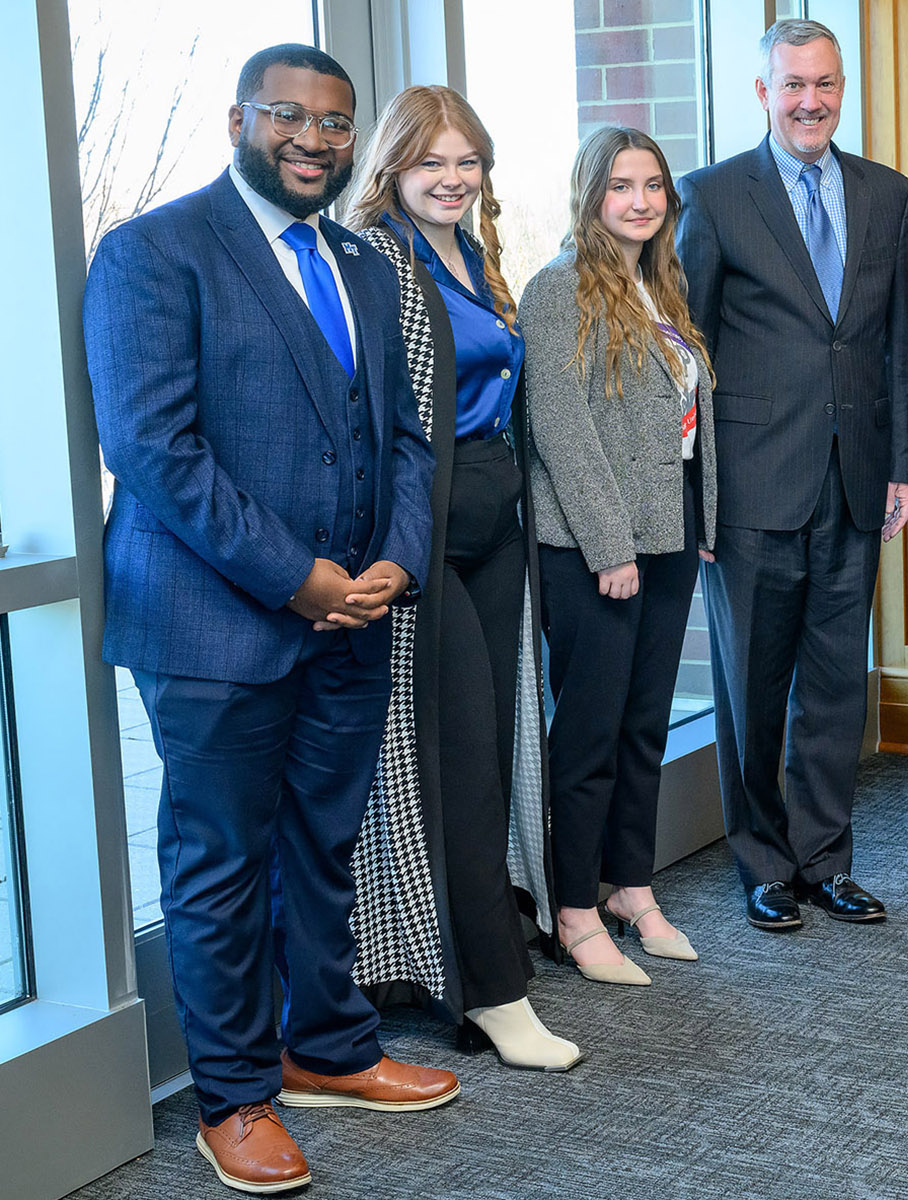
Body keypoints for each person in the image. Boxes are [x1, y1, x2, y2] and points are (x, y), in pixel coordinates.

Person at [84, 44, 454, 1195]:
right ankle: (234, 1098)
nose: (312, 138)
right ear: (240, 119)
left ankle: (327, 1048)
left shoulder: (361, 257)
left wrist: (396, 556)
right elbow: (153, 450)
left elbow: (405, 432)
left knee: (322, 845)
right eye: (288, 117)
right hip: (214, 624)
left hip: (355, 616)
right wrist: (298, 576)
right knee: (220, 868)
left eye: (335, 123)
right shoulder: (152, 252)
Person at [342, 85, 577, 1070]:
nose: (451, 178)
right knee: (464, 766)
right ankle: (490, 993)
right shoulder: (375, 257)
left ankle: (481, 954)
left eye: (466, 162)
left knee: (493, 751)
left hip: (492, 521)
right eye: (430, 161)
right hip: (426, 538)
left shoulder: (472, 256)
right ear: (392, 168)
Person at [675, 18, 908, 932]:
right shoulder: (709, 195)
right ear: (762, 93)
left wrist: (903, 464)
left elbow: (896, 342)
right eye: (793, 86)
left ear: (842, 86)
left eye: (825, 84)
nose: (810, 101)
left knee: (834, 687)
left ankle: (826, 861)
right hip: (749, 486)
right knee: (752, 685)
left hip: (855, 480)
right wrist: (694, 493)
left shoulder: (886, 194)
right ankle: (763, 864)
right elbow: (688, 359)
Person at [522, 125, 717, 983]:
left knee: (643, 724)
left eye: (653, 187)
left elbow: (683, 421)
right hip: (596, 542)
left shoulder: (659, 284)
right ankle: (572, 909)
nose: (641, 201)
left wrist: (700, 522)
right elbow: (562, 434)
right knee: (591, 733)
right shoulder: (558, 289)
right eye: (621, 186)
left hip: (667, 532)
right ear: (590, 195)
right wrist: (610, 547)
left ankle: (630, 886)